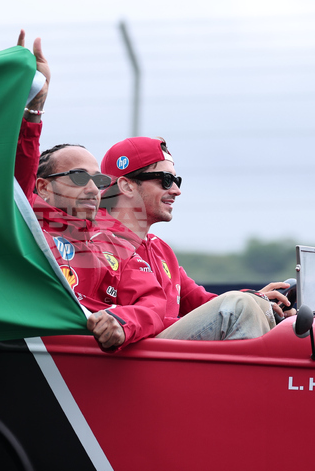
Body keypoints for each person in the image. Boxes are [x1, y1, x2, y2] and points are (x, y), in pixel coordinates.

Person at [16, 31, 166, 351]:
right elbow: (15, 175)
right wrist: (30, 108)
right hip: (35, 355)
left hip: (96, 362)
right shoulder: (24, 217)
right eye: (79, 177)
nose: (92, 189)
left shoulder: (115, 239)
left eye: (98, 181)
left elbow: (153, 301)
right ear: (42, 187)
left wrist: (123, 322)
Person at [99, 136, 296, 341]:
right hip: (131, 361)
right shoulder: (93, 244)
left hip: (158, 356)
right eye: (166, 180)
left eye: (177, 180)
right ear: (127, 186)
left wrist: (258, 300)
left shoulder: (159, 249)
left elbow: (203, 303)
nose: (176, 190)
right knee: (240, 306)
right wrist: (245, 305)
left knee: (250, 306)